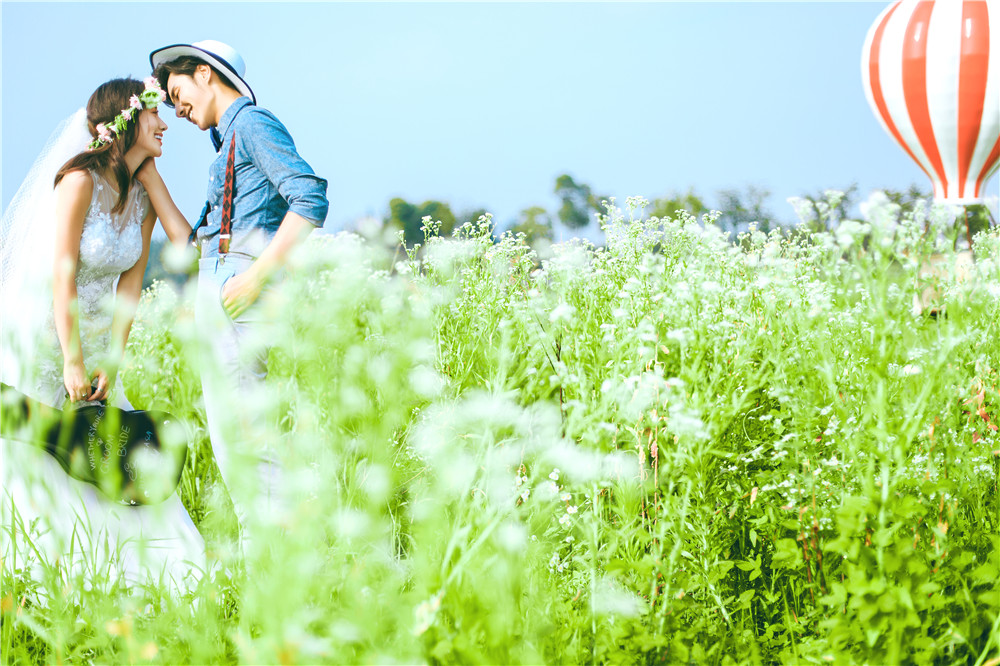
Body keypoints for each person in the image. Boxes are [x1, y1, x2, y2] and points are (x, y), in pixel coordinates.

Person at [0, 77, 205, 590]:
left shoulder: (139, 193)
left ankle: (133, 576)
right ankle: (42, 574)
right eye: (154, 116)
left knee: (98, 443)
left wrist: (112, 357)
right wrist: (71, 358)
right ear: (126, 121)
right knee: (40, 444)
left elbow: (152, 265)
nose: (165, 124)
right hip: (51, 333)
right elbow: (62, 272)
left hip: (93, 343)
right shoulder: (78, 182)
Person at [142, 40, 329, 551]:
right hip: (221, 280)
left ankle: (276, 563)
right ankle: (263, 558)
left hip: (242, 282)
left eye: (177, 91)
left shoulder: (252, 125)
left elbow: (309, 196)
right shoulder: (227, 143)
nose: (175, 107)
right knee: (231, 436)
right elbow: (204, 234)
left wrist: (258, 276)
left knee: (246, 433)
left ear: (205, 74)